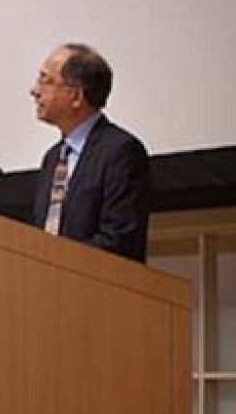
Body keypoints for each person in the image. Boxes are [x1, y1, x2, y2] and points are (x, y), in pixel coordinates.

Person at [29, 43, 150, 263]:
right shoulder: (52, 158)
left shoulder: (120, 151)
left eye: (45, 81)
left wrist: (57, 259)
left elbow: (120, 241)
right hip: (47, 285)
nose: (34, 91)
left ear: (76, 97)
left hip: (97, 288)